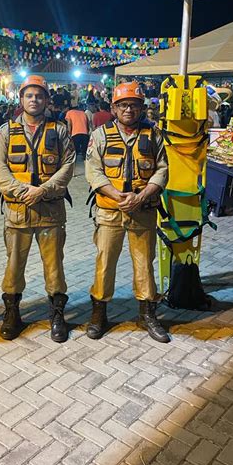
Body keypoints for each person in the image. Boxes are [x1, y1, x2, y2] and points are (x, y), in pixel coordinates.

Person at [85, 80, 170, 343]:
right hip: (110, 211)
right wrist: (116, 195)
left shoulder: (153, 134)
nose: (129, 109)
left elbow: (163, 169)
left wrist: (142, 195)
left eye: (134, 105)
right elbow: (93, 171)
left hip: (142, 211)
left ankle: (147, 314)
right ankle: (99, 314)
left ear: (142, 107)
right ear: (113, 107)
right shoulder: (99, 135)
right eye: (123, 105)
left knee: (144, 264)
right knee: (104, 263)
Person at [0, 75, 76, 343]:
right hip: (17, 213)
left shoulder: (59, 130)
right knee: (14, 266)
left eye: (39, 95)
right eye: (29, 95)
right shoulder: (6, 131)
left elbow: (68, 166)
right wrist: (22, 192)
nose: (34, 100)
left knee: (54, 268)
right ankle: (12, 314)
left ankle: (57, 314)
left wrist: (42, 191)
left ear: (47, 100)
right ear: (21, 99)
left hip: (50, 213)